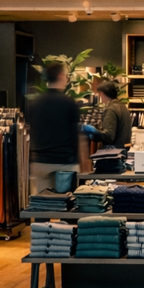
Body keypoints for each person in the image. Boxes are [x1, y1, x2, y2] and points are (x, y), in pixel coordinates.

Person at [28, 63, 81, 193]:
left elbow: (31, 132)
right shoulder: (68, 102)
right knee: (66, 204)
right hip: (65, 161)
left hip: (40, 162)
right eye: (66, 76)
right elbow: (75, 135)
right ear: (61, 76)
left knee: (44, 204)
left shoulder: (36, 103)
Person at [87, 79, 132, 149]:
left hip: (112, 154)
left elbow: (109, 136)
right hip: (123, 152)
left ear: (101, 94)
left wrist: (94, 132)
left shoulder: (111, 109)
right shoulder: (124, 107)